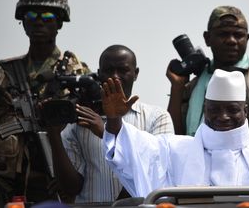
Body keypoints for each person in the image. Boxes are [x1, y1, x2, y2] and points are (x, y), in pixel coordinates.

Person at [102, 69, 249, 199]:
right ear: (205, 109)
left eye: (232, 109)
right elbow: (130, 150)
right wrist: (114, 119)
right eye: (214, 109)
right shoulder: (174, 148)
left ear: (246, 111)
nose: (223, 116)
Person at [0, 0, 89, 204]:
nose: (38, 22)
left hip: (55, 178)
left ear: (59, 22)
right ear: (23, 22)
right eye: (31, 16)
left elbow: (89, 132)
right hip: (3, 180)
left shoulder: (77, 73)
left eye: (47, 17)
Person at [47, 45, 174, 203]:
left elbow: (156, 173)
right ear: (99, 74)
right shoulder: (80, 122)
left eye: (123, 70)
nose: (115, 76)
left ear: (136, 73)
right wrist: (53, 134)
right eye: (108, 70)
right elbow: (71, 187)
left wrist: (108, 133)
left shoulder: (157, 117)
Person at [167, 5, 249, 141]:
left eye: (238, 35)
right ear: (207, 38)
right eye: (223, 34)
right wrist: (177, 87)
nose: (231, 40)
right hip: (192, 160)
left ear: (247, 38)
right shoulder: (197, 83)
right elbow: (174, 139)